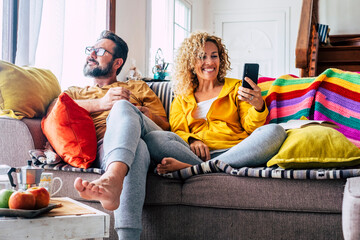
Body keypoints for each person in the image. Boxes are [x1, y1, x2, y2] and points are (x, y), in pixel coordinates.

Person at [57, 30, 169, 239]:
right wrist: (100, 103)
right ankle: (115, 181)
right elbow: (54, 111)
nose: (91, 54)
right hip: (105, 147)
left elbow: (164, 126)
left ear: (117, 63)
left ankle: (112, 179)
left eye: (99, 51)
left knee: (124, 109)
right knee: (138, 149)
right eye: (90, 50)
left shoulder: (138, 87)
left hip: (144, 134)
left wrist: (142, 113)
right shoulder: (74, 92)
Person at [144, 31, 286, 173]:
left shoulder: (236, 88)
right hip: (192, 154)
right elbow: (177, 131)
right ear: (191, 62)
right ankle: (213, 167)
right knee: (153, 138)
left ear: (220, 59)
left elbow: (250, 128)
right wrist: (193, 140)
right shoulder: (181, 97)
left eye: (214, 56)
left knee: (275, 131)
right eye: (202, 57)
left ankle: (197, 169)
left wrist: (258, 107)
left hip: (236, 151)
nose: (210, 62)